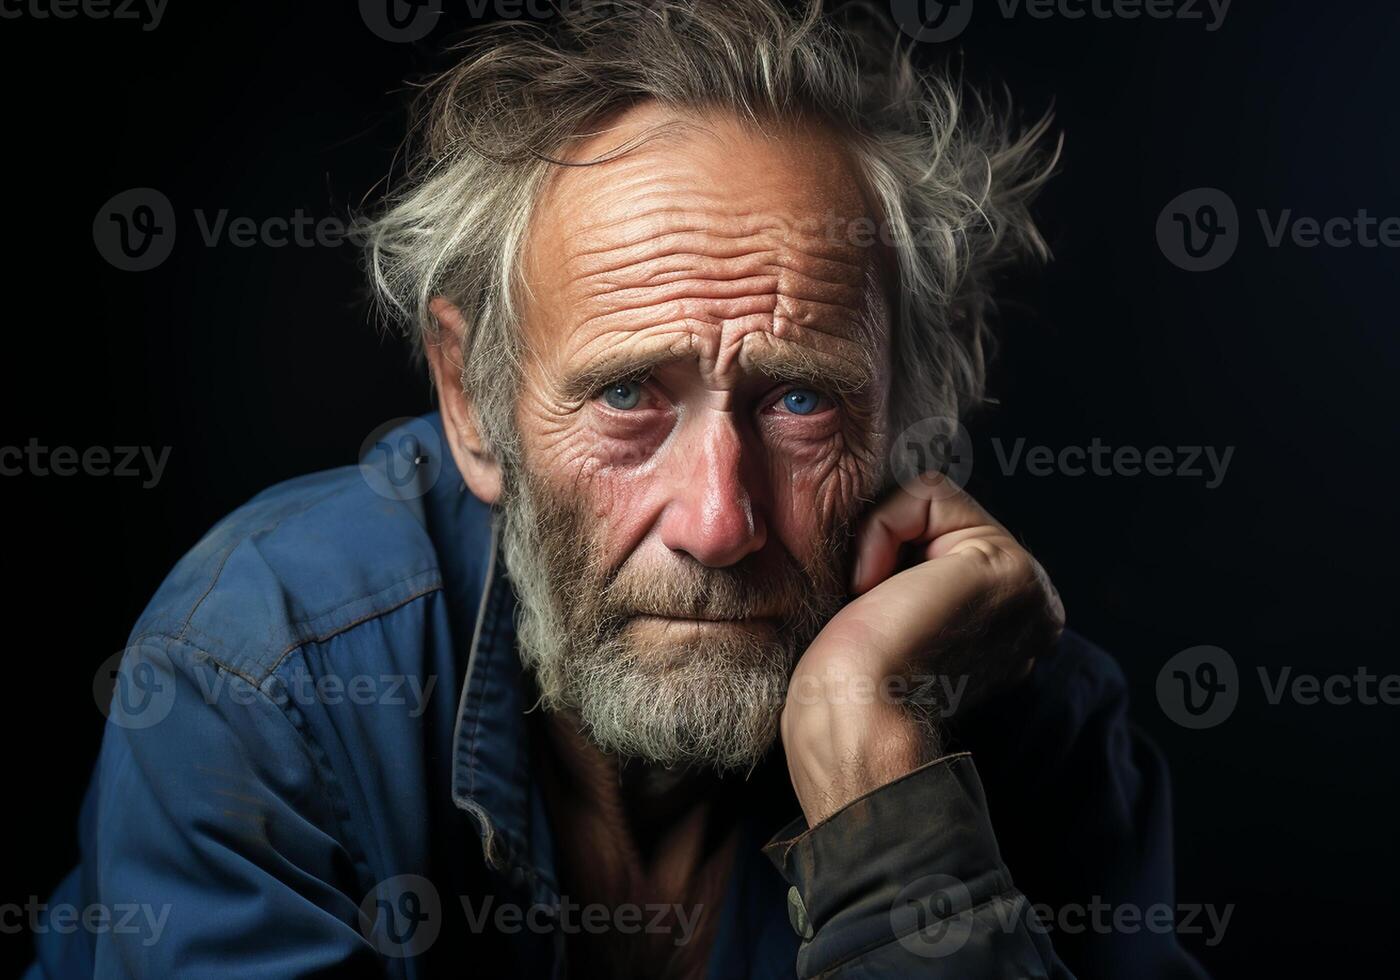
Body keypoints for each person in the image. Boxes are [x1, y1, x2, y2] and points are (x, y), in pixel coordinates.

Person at [30, 1, 1208, 976]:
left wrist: (884, 795)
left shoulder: (1035, 725)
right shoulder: (260, 678)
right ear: (471, 403)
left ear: (909, 413)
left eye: (799, 400)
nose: (716, 521)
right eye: (627, 396)